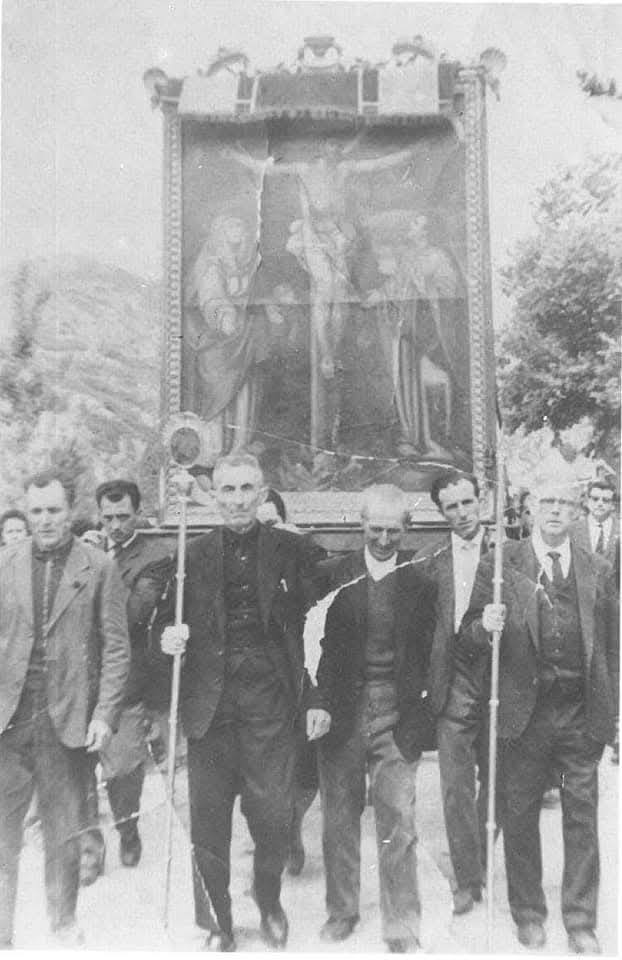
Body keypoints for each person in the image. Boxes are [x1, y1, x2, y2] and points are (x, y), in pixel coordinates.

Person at [159, 452, 316, 951]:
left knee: (272, 814)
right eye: (227, 490)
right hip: (211, 706)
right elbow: (163, 624)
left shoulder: (290, 552)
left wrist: (312, 696)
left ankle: (268, 900)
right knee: (208, 821)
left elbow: (317, 627)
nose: (237, 499)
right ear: (213, 496)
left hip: (270, 703)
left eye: (247, 488)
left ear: (263, 491)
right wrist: (168, 639)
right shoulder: (192, 553)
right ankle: (219, 922)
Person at [461, 476, 618, 954]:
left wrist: (611, 717)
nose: (555, 510)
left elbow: (611, 647)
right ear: (529, 508)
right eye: (546, 501)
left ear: (578, 513)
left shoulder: (599, 567)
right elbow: (467, 638)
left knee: (582, 819)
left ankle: (580, 921)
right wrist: (483, 626)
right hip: (522, 716)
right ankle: (528, 914)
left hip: (578, 713)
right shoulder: (501, 563)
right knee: (521, 817)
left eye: (566, 503)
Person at [0, 470, 130, 948]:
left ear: (71, 511)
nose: (45, 520)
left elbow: (117, 648)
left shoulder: (97, 567)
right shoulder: (5, 562)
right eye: (36, 511)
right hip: (8, 718)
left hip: (68, 716)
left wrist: (104, 714)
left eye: (54, 510)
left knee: (63, 831)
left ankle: (62, 923)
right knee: (2, 833)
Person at [307, 484, 436, 952]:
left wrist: (420, 716)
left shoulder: (421, 580)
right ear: (360, 525)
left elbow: (429, 652)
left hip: (396, 711)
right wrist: (317, 701)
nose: (384, 539)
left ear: (408, 528)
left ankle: (401, 924)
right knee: (338, 818)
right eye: (375, 529)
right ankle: (341, 911)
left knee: (398, 820)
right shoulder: (330, 575)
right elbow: (311, 645)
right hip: (340, 707)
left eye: (394, 531)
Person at [80, 480, 174, 876]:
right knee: (78, 769)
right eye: (108, 517)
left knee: (121, 770)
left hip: (127, 681)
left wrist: (99, 564)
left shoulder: (153, 557)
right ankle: (89, 849)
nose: (115, 525)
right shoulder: (81, 551)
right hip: (81, 678)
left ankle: (127, 827)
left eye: (123, 516)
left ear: (137, 512)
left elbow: (134, 614)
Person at [414, 470, 497, 915]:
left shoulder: (511, 552)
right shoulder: (429, 561)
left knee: (501, 782)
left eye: (469, 502)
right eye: (452, 507)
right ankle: (467, 878)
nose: (463, 513)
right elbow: (421, 630)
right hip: (455, 682)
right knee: (455, 786)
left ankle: (481, 853)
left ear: (480, 500)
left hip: (503, 678)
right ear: (441, 511)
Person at [256, 488, 320, 877]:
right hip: (256, 678)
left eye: (273, 524)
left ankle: (292, 823)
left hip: (296, 667)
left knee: (305, 762)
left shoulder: (301, 554)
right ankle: (275, 835)